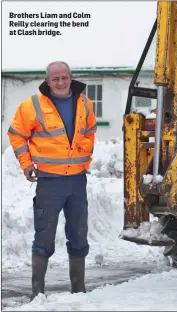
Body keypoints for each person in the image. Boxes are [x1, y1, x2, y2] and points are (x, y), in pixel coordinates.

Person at [7, 61, 97, 300]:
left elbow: (90, 132)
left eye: (64, 77)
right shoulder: (32, 106)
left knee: (79, 233)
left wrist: (84, 159)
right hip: (49, 181)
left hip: (77, 181)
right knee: (44, 234)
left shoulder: (85, 104)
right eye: (55, 79)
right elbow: (16, 135)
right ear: (47, 81)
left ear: (70, 77)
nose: (60, 83)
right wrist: (26, 164)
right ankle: (38, 293)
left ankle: (79, 289)